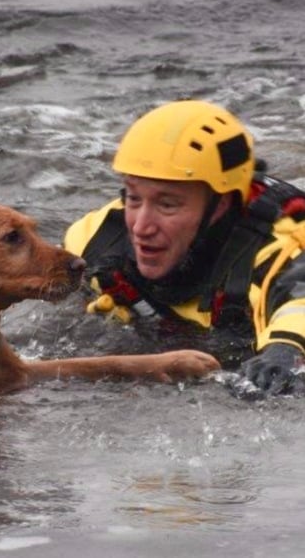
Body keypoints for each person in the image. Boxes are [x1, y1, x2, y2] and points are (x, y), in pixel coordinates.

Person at [64, 99, 305, 395]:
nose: (141, 227)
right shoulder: (93, 240)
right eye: (134, 198)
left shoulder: (282, 251)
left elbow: (299, 302)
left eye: (167, 205)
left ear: (222, 204)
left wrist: (283, 351)